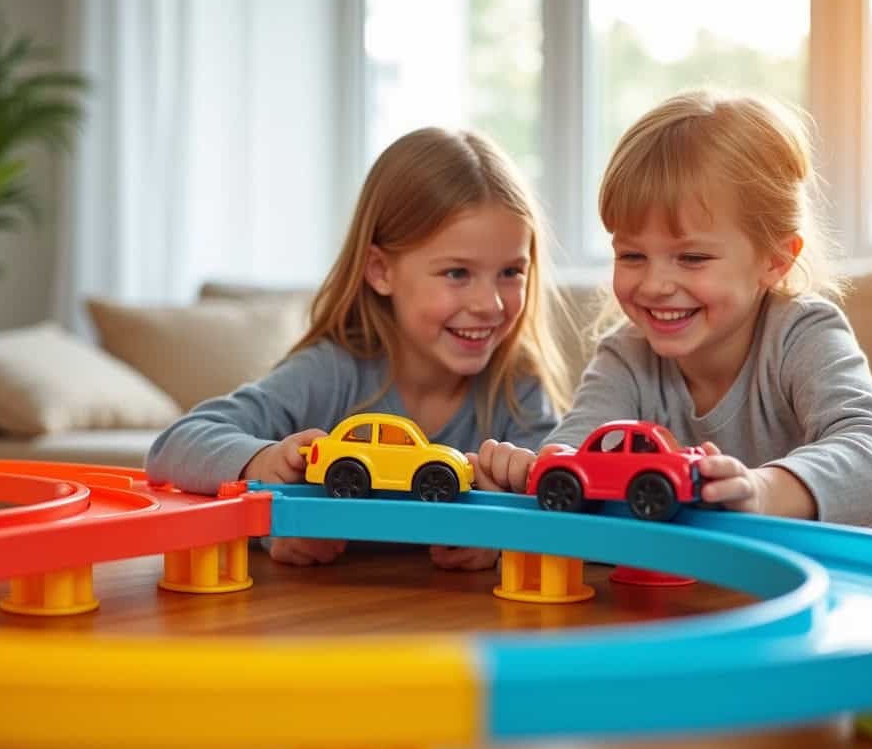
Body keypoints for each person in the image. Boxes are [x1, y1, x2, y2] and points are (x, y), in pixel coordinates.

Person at [475, 90, 872, 536]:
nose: (654, 285)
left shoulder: (801, 333)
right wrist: (529, 476)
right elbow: (576, 450)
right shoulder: (626, 356)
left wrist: (761, 490)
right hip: (744, 578)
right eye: (632, 256)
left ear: (775, 260)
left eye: (692, 258)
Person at [147, 127, 573, 567]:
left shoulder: (516, 388)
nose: (491, 304)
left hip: (455, 624)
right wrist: (267, 485)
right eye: (457, 273)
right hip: (323, 621)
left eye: (511, 272)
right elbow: (173, 447)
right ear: (380, 270)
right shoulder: (332, 372)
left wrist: (503, 541)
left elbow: (562, 511)